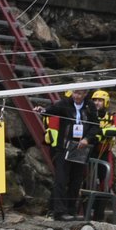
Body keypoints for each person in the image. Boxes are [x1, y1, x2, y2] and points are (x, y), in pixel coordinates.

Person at [39, 88, 98, 220]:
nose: (76, 96)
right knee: (61, 178)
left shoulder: (90, 106)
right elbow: (51, 110)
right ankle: (59, 212)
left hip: (81, 148)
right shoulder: (64, 104)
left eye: (80, 93)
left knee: (76, 180)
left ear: (85, 94)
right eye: (75, 93)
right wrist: (42, 110)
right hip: (64, 147)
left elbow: (95, 125)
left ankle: (71, 210)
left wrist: (87, 139)